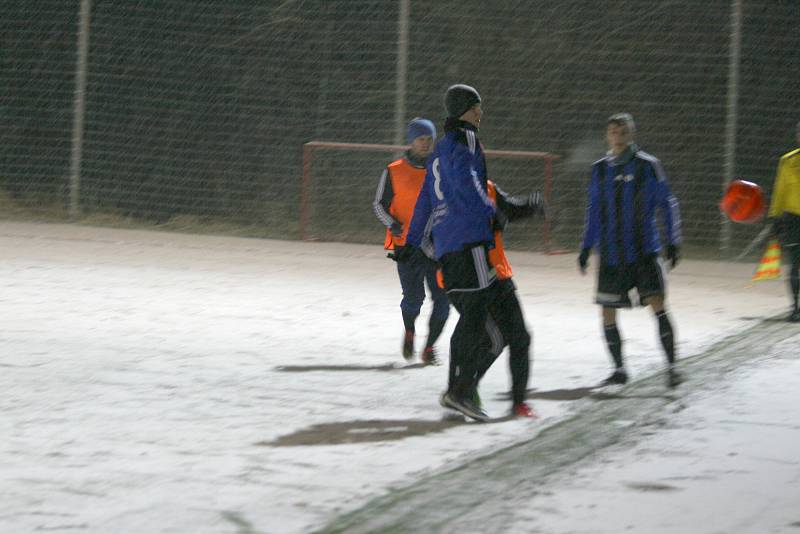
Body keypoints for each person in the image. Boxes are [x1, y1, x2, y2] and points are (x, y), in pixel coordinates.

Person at [405, 84, 497, 421]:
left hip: (445, 243)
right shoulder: (467, 139)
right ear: (467, 110)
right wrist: (491, 210)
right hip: (467, 236)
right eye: (478, 107)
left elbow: (426, 199)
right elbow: (468, 182)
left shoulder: (439, 149)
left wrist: (412, 240)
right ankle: (459, 392)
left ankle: (458, 391)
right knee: (476, 318)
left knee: (471, 316)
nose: (481, 113)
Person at [578, 112, 683, 388]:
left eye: (623, 132)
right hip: (611, 254)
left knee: (657, 304)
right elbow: (593, 211)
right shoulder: (600, 169)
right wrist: (586, 247)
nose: (618, 137)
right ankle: (619, 369)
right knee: (607, 312)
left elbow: (667, 204)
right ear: (607, 136)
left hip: (643, 251)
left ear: (632, 135)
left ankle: (672, 367)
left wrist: (673, 241)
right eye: (613, 132)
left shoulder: (648, 166)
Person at [373, 118, 450, 363]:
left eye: (429, 139)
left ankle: (429, 348)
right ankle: (409, 332)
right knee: (414, 298)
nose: (425, 144)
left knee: (443, 301)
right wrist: (393, 225)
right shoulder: (394, 170)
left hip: (439, 248)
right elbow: (378, 205)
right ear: (411, 141)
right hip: (407, 246)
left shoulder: (444, 169)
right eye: (421, 139)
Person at [474, 180, 544, 418]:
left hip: (498, 274)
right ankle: (463, 388)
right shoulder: (454, 189)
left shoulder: (487, 186)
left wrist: (529, 205)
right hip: (474, 277)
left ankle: (518, 402)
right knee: (496, 338)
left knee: (519, 338)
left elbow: (508, 208)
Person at [766, 121, 800, 322]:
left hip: (793, 217)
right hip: (793, 218)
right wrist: (775, 218)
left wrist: (774, 218)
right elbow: (780, 191)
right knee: (794, 263)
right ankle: (795, 307)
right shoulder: (787, 161)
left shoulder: (788, 161)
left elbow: (780, 191)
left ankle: (795, 308)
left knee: (795, 263)